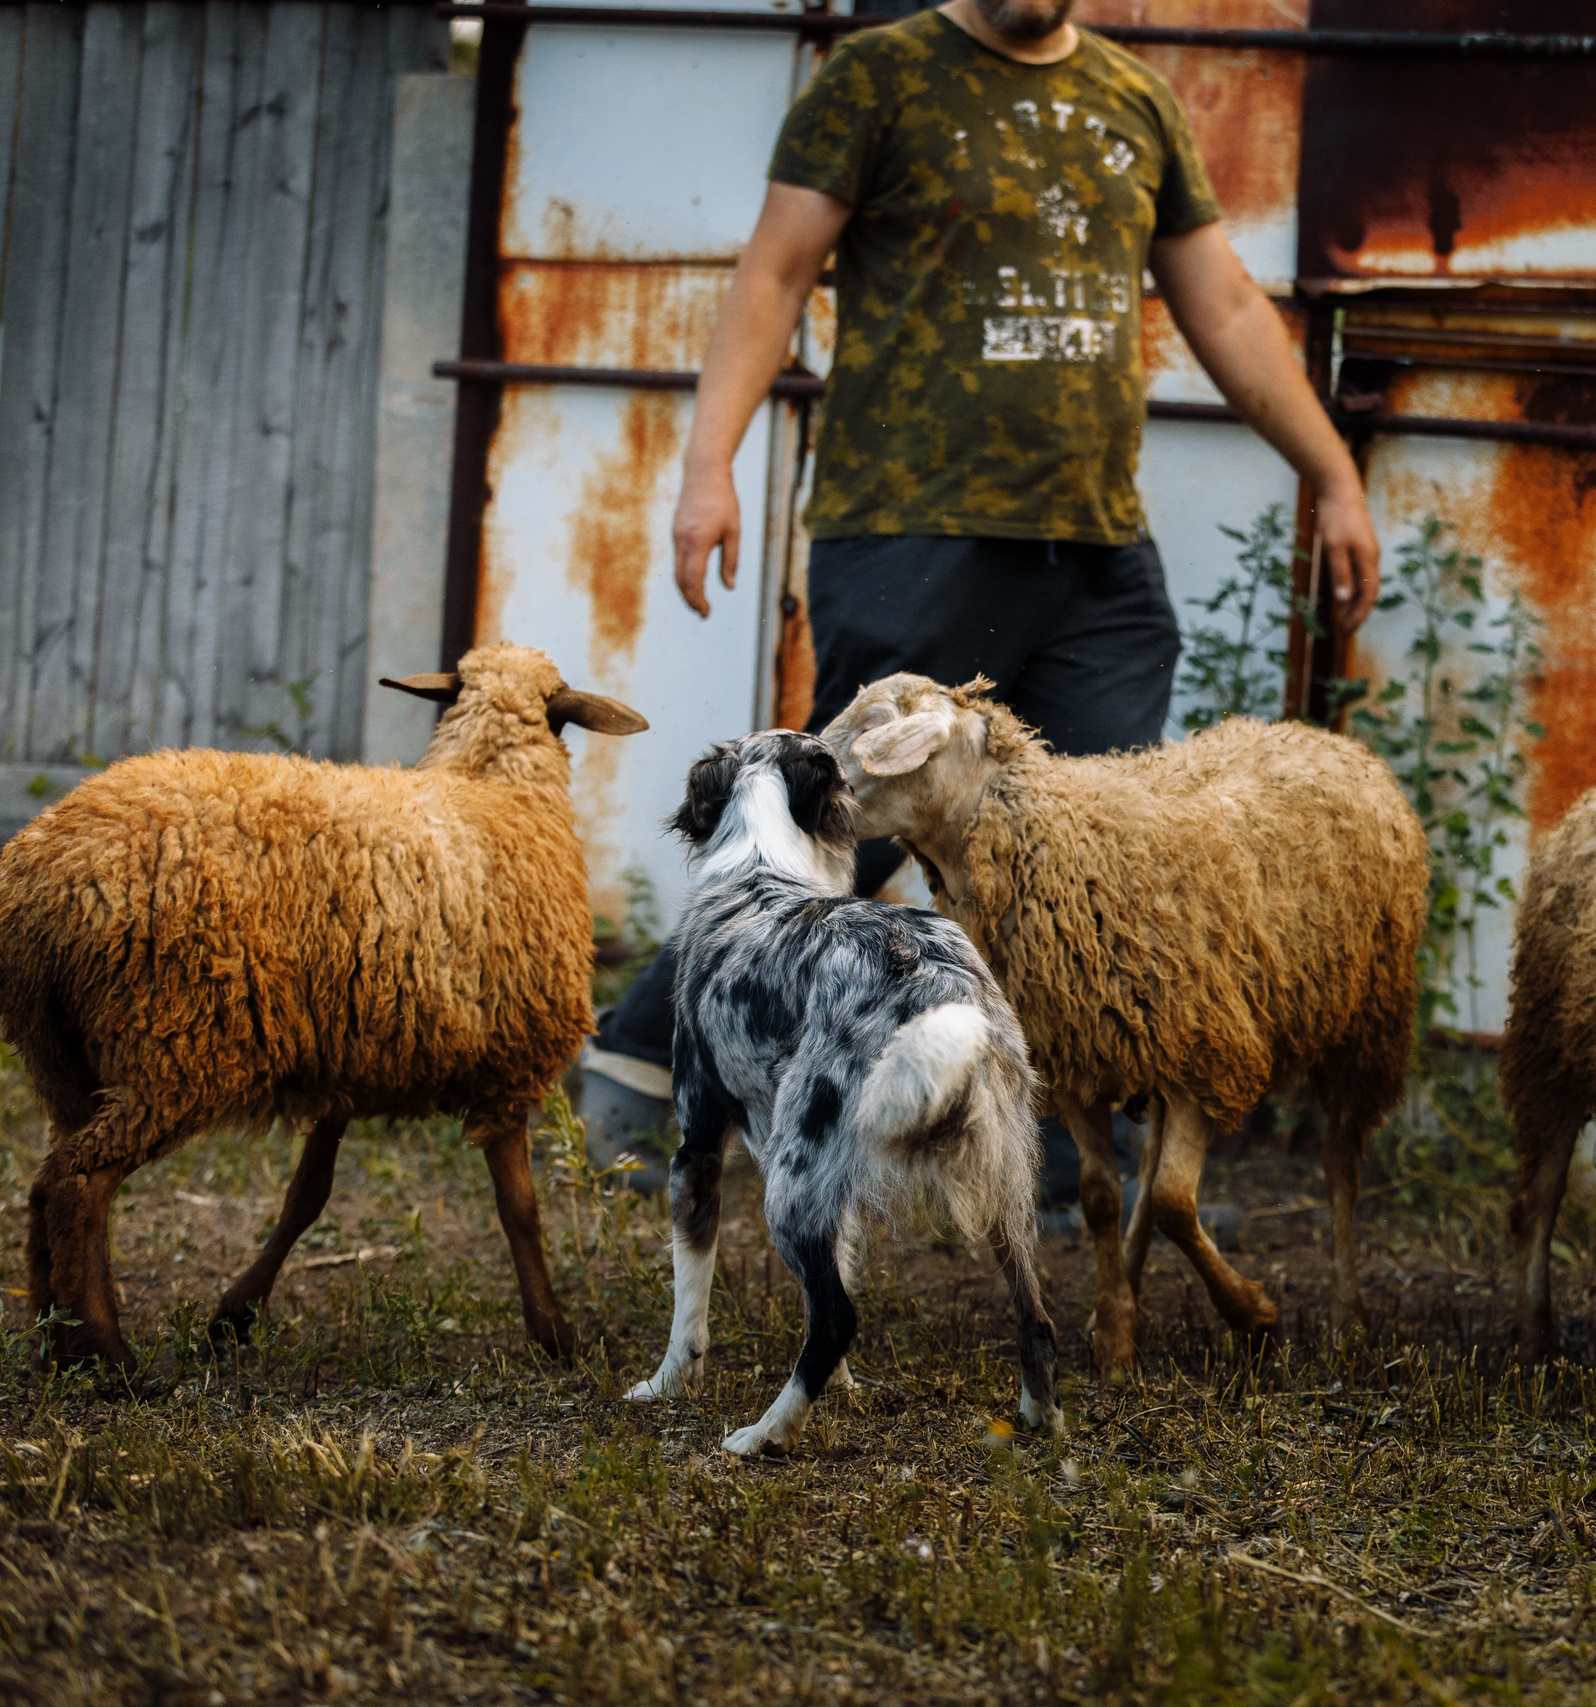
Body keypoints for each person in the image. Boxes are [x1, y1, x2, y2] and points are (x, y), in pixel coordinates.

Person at [579, 0, 1381, 1194]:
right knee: (839, 828)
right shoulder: (878, 78)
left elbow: (1221, 305)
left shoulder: (1131, 99)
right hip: (913, 525)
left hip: (1094, 545)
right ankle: (645, 1062)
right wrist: (709, 467)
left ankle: (1063, 1159)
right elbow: (776, 272)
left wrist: (1332, 473)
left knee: (1080, 871)